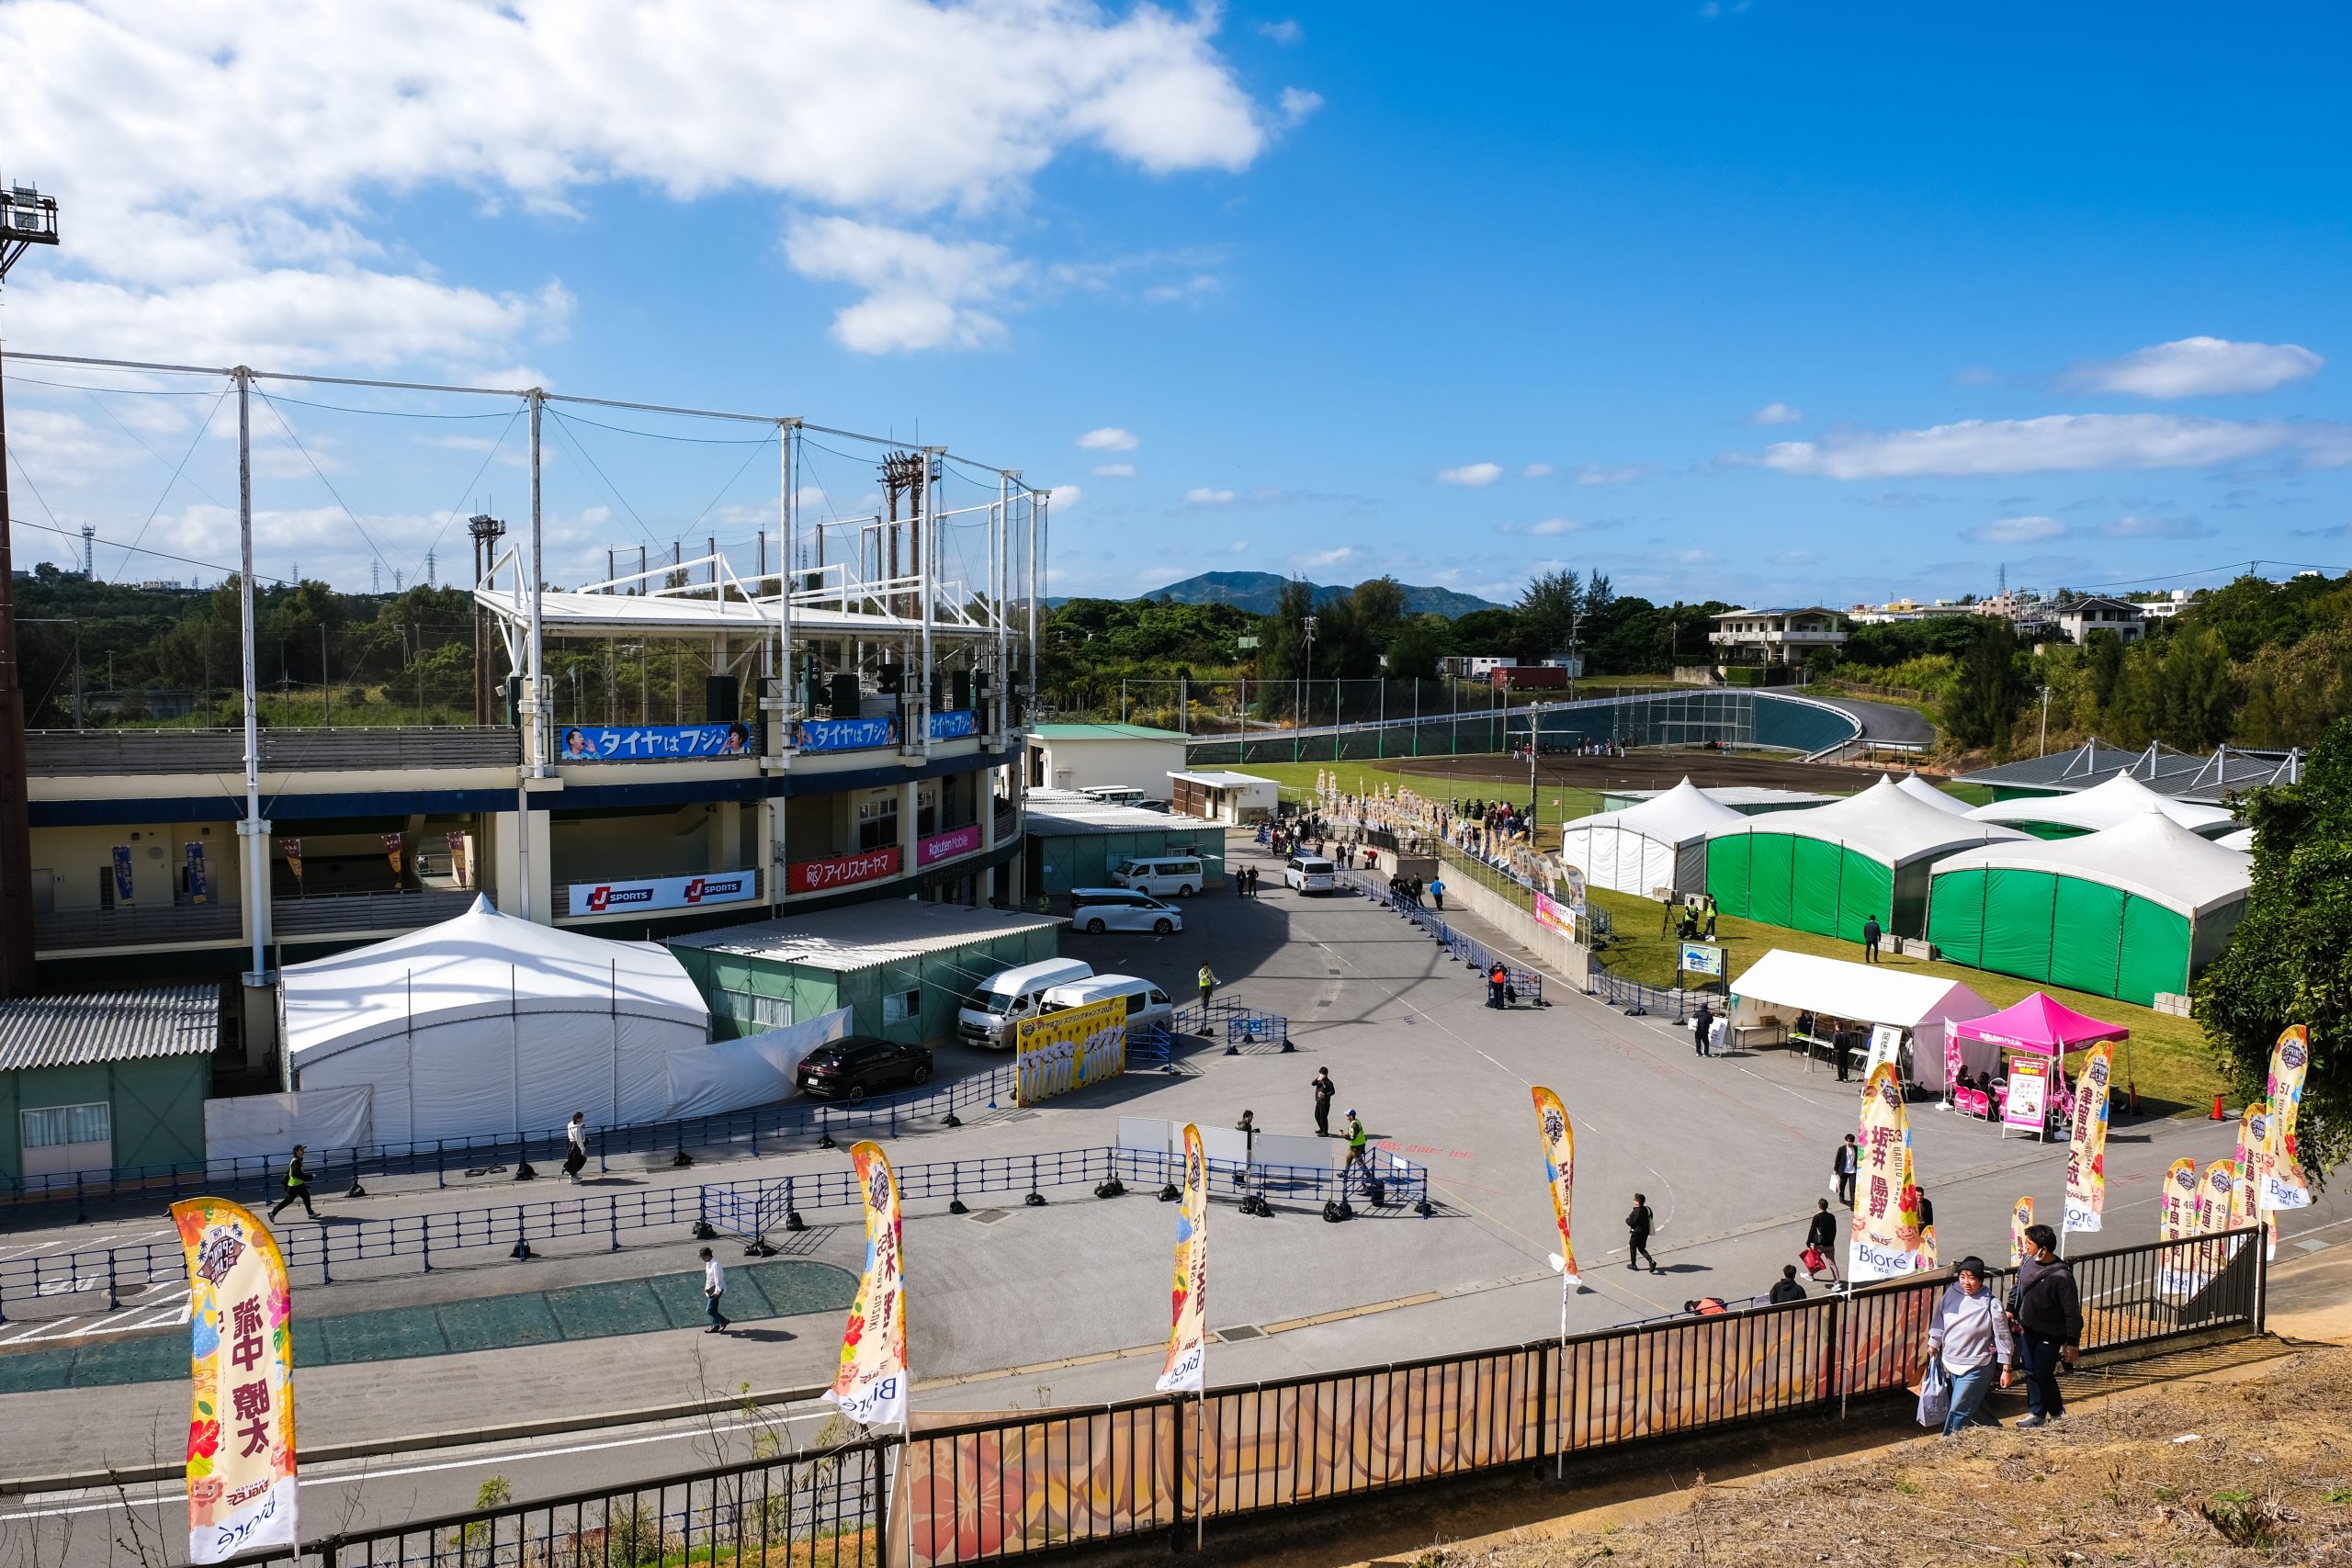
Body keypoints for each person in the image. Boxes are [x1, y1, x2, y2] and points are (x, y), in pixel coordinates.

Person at [1926, 1256, 2013, 1434]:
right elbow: (1939, 1319)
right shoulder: (1951, 1294)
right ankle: (1995, 1431)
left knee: (1958, 1408)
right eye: (1962, 1277)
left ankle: (1948, 1442)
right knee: (1973, 1404)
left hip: (1977, 1364)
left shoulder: (1991, 1304)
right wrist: (1934, 1342)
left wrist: (2006, 1367)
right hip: (1952, 1361)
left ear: (1980, 1279)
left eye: (1971, 1278)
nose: (1966, 1282)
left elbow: (2003, 1336)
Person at [2010, 1224, 2083, 1427]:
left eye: (2029, 1244)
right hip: (2027, 1330)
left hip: (2050, 1334)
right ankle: (2037, 1413)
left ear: (2043, 1249)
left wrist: (2072, 1342)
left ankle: (2058, 1413)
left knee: (2042, 1373)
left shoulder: (2062, 1277)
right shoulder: (2027, 1261)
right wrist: (2010, 1309)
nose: (2025, 1247)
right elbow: (2017, 1286)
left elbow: (2072, 1312)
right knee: (2031, 1372)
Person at [268, 1144, 317, 1221]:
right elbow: (295, 1174)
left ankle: (310, 1213)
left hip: (299, 1184)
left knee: (306, 1196)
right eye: (301, 1150)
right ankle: (273, 1213)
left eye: (303, 1149)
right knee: (288, 1200)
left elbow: (291, 1172)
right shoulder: (296, 1161)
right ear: (296, 1152)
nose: (303, 1151)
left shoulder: (298, 1160)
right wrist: (310, 1177)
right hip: (294, 1185)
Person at [1804, 1199, 1842, 1282]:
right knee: (1832, 1264)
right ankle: (1837, 1282)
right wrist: (1832, 1241)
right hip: (1830, 1245)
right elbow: (1834, 1230)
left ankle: (1810, 1275)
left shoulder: (1817, 1217)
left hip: (1819, 1245)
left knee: (1815, 1261)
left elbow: (1812, 1230)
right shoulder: (1832, 1217)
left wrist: (1808, 1242)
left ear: (1819, 1206)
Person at [1625, 1193, 1659, 1272]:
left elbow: (1631, 1222)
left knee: (1632, 1247)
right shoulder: (1647, 1209)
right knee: (1641, 1248)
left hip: (1636, 1233)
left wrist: (1627, 1219)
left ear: (1638, 1202)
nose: (1633, 1200)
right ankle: (1651, 1261)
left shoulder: (1636, 1212)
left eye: (1634, 1199)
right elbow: (1651, 1216)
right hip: (1645, 1232)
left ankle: (1633, 1265)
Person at [699, 1247, 730, 1333]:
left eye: (703, 1257)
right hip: (711, 1289)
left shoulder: (715, 1264)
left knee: (709, 1310)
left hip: (716, 1290)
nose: (702, 1259)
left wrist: (717, 1291)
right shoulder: (708, 1263)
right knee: (714, 1309)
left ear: (708, 1256)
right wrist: (706, 1287)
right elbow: (709, 1277)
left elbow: (718, 1279)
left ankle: (724, 1321)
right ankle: (715, 1326)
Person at [1834, 1134, 1860, 1208]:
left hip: (1853, 1171)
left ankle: (1852, 1204)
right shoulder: (1841, 1149)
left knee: (1852, 1188)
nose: (1849, 1143)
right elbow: (1837, 1159)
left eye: (1850, 1141)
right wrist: (1835, 1169)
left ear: (1853, 1142)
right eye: (1847, 1141)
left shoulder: (1856, 1148)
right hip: (1843, 1171)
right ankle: (1841, 1197)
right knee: (1842, 1186)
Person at [1341, 1111, 1370, 1177]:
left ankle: (1369, 1176)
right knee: (1348, 1158)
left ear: (1351, 1116)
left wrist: (1343, 1135)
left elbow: (1352, 1138)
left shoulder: (1354, 1125)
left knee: (1360, 1163)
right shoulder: (1356, 1121)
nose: (1346, 1116)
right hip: (1354, 1145)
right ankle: (1345, 1173)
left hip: (1356, 1147)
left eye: (1347, 1115)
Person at [563, 1111, 590, 1184]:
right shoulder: (577, 1128)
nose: (582, 1119)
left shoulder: (570, 1124)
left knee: (573, 1160)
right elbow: (579, 1140)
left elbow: (576, 1125)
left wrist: (581, 1125)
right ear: (578, 1119)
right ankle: (572, 1176)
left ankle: (573, 1174)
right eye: (581, 1118)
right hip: (577, 1146)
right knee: (580, 1160)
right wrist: (583, 1149)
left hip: (571, 1144)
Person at [1310, 1067, 1337, 1137]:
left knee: (1323, 1118)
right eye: (1320, 1073)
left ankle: (1325, 1132)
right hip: (1318, 1101)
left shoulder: (1329, 1082)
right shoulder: (1319, 1080)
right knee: (1317, 1116)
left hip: (1325, 1103)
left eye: (1322, 1074)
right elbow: (1313, 1083)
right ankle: (1321, 1129)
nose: (1321, 1074)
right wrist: (1317, 1079)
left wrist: (1325, 1095)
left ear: (1326, 1074)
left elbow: (1332, 1092)